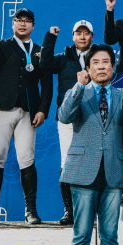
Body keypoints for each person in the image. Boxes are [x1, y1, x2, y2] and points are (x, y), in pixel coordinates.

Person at [56, 44, 123, 245]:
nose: (102, 66)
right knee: (81, 237)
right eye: (96, 63)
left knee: (110, 237)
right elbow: (64, 116)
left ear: (113, 68)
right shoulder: (78, 92)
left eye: (106, 62)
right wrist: (78, 87)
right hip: (83, 171)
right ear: (88, 68)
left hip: (114, 172)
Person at [0, 8, 50, 225]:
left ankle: (31, 211)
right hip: (1, 108)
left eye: (27, 21)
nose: (23, 24)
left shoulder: (39, 51)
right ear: (13, 23)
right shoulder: (0, 46)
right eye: (19, 20)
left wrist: (43, 109)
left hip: (28, 111)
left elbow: (46, 85)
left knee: (27, 158)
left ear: (33, 25)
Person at [41, 19, 96, 225]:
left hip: (93, 117)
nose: (82, 36)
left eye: (86, 33)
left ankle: (89, 211)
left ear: (91, 36)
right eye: (78, 33)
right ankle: (69, 210)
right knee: (67, 162)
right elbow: (44, 64)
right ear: (73, 36)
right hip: (67, 117)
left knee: (93, 161)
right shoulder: (63, 58)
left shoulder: (98, 57)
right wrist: (50, 38)